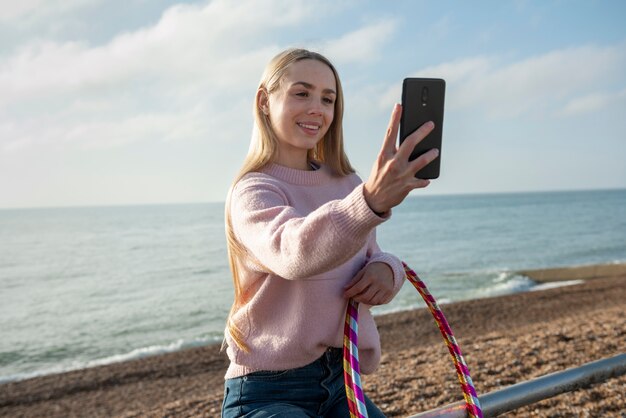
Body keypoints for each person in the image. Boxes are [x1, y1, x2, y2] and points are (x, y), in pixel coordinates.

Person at [221, 48, 439, 418]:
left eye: (328, 98)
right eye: (301, 93)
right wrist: (369, 200)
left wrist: (388, 270)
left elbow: (368, 251)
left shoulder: (346, 183)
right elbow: (293, 253)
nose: (316, 109)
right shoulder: (253, 190)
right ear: (264, 101)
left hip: (342, 382)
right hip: (268, 391)